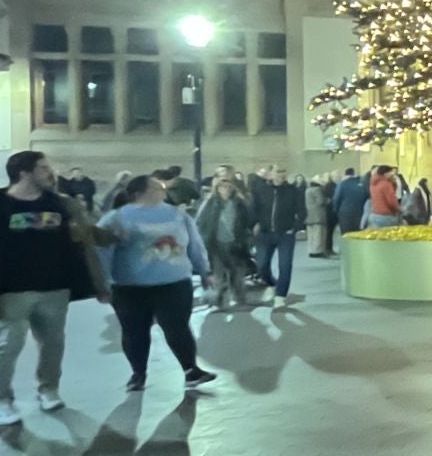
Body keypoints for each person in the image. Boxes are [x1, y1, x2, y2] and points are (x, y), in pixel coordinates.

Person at [0, 150, 112, 431]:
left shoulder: (62, 203)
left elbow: (86, 234)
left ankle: (48, 389)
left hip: (54, 287)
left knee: (53, 342)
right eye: (43, 168)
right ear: (24, 173)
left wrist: (115, 234)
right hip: (10, 290)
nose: (51, 173)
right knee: (6, 345)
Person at [98, 173, 216, 393]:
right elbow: (103, 252)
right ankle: (138, 373)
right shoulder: (116, 218)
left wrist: (204, 270)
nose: (162, 188)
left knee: (178, 327)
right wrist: (102, 282)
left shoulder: (178, 215)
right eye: (156, 186)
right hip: (130, 287)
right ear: (140, 192)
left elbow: (195, 245)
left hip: (174, 283)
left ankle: (191, 370)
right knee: (135, 331)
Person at [196, 175, 256, 310]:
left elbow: (247, 222)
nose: (226, 190)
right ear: (217, 189)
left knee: (238, 273)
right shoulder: (210, 203)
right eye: (223, 187)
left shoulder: (239, 204)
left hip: (236, 243)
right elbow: (200, 222)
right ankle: (220, 302)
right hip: (215, 244)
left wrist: (248, 239)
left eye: (229, 187)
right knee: (218, 273)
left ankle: (240, 300)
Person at [252, 168, 307, 302]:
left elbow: (302, 211)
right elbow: (253, 209)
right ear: (271, 174)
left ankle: (280, 295)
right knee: (262, 264)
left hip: (285, 234)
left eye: (283, 173)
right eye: (277, 172)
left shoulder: (293, 191)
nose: (280, 176)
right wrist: (254, 223)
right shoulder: (260, 190)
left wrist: (295, 227)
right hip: (265, 234)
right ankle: (272, 284)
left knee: (285, 265)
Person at [332, 167, 368, 240]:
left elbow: (336, 198)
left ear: (345, 175)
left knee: (346, 235)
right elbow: (366, 197)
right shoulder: (362, 184)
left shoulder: (342, 184)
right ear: (354, 174)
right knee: (358, 234)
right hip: (360, 212)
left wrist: (336, 210)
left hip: (345, 213)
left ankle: (347, 250)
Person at [304, 174, 332, 258]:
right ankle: (318, 251)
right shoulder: (317, 189)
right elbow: (320, 201)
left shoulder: (307, 190)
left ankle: (311, 250)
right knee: (319, 234)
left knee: (311, 235)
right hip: (318, 215)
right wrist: (328, 200)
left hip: (309, 215)